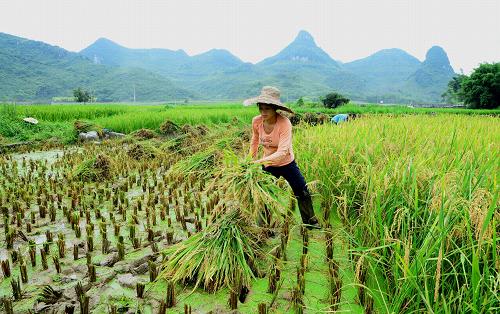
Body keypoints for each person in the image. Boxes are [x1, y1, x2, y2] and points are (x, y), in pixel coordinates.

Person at [244, 86, 320, 229]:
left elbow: (283, 151)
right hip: (268, 164)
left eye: (267, 109)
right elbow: (254, 140)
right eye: (260, 108)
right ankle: (264, 226)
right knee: (264, 193)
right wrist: (249, 159)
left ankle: (311, 222)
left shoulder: (284, 123)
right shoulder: (256, 121)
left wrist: (258, 162)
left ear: (275, 108)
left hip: (286, 163)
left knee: (301, 190)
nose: (263, 112)